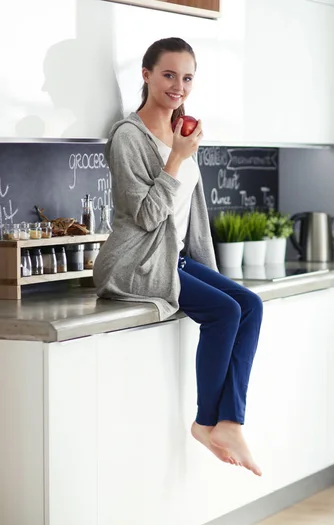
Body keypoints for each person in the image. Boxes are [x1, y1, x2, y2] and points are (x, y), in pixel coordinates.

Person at [94, 37, 263, 476]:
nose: (178, 85)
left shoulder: (181, 130)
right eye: (168, 74)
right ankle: (207, 422)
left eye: (187, 77)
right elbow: (147, 216)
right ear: (146, 75)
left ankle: (229, 421)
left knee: (250, 304)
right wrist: (176, 159)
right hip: (135, 264)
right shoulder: (128, 136)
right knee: (225, 312)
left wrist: (207, 270)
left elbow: (192, 216)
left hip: (174, 258)